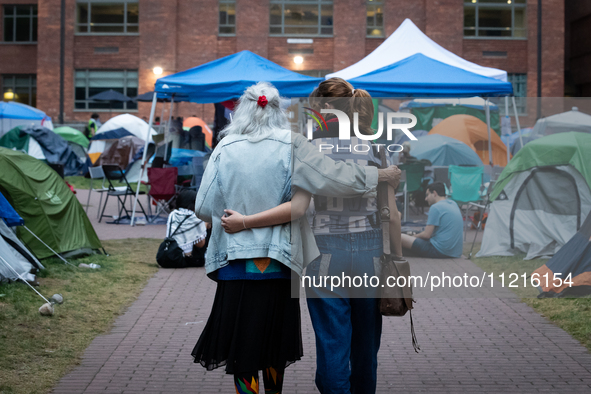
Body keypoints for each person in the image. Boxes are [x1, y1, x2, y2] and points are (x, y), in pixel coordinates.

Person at [191, 82, 401, 393]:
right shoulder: (295, 144)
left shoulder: (229, 147)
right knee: (281, 344)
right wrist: (380, 176)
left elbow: (204, 207)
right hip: (286, 261)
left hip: (245, 261)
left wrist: (240, 217)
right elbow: (311, 199)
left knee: (254, 346)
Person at [401, 182, 463, 258]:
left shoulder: (436, 207)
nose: (425, 199)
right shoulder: (453, 204)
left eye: (427, 195)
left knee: (400, 237)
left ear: (434, 193)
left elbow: (426, 235)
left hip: (439, 250)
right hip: (455, 252)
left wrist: (413, 236)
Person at [165, 189, 209, 267]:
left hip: (171, 253)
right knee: (207, 225)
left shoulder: (173, 214)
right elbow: (200, 244)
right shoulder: (195, 218)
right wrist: (205, 225)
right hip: (191, 259)